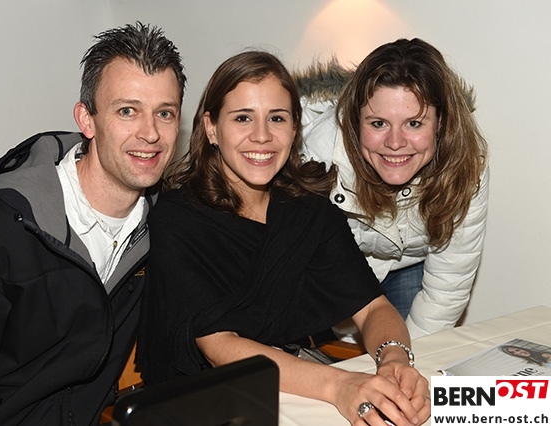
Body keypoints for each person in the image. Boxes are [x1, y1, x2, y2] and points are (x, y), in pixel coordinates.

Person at [0, 22, 186, 426]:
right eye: (127, 111)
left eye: (165, 113)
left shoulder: (165, 228)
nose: (150, 133)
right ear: (87, 120)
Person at [137, 50, 430, 426]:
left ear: (294, 128)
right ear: (211, 128)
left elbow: (373, 308)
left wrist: (394, 359)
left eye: (277, 118)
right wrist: (339, 386)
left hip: (297, 387)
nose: (262, 136)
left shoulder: (309, 211)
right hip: (204, 401)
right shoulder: (176, 218)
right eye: (243, 118)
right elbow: (219, 346)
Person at [296, 38, 489, 337]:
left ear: (441, 124)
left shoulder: (465, 164)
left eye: (414, 124)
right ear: (356, 122)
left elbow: (448, 284)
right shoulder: (317, 156)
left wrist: (411, 357)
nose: (395, 143)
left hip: (409, 266)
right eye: (378, 124)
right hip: (330, 273)